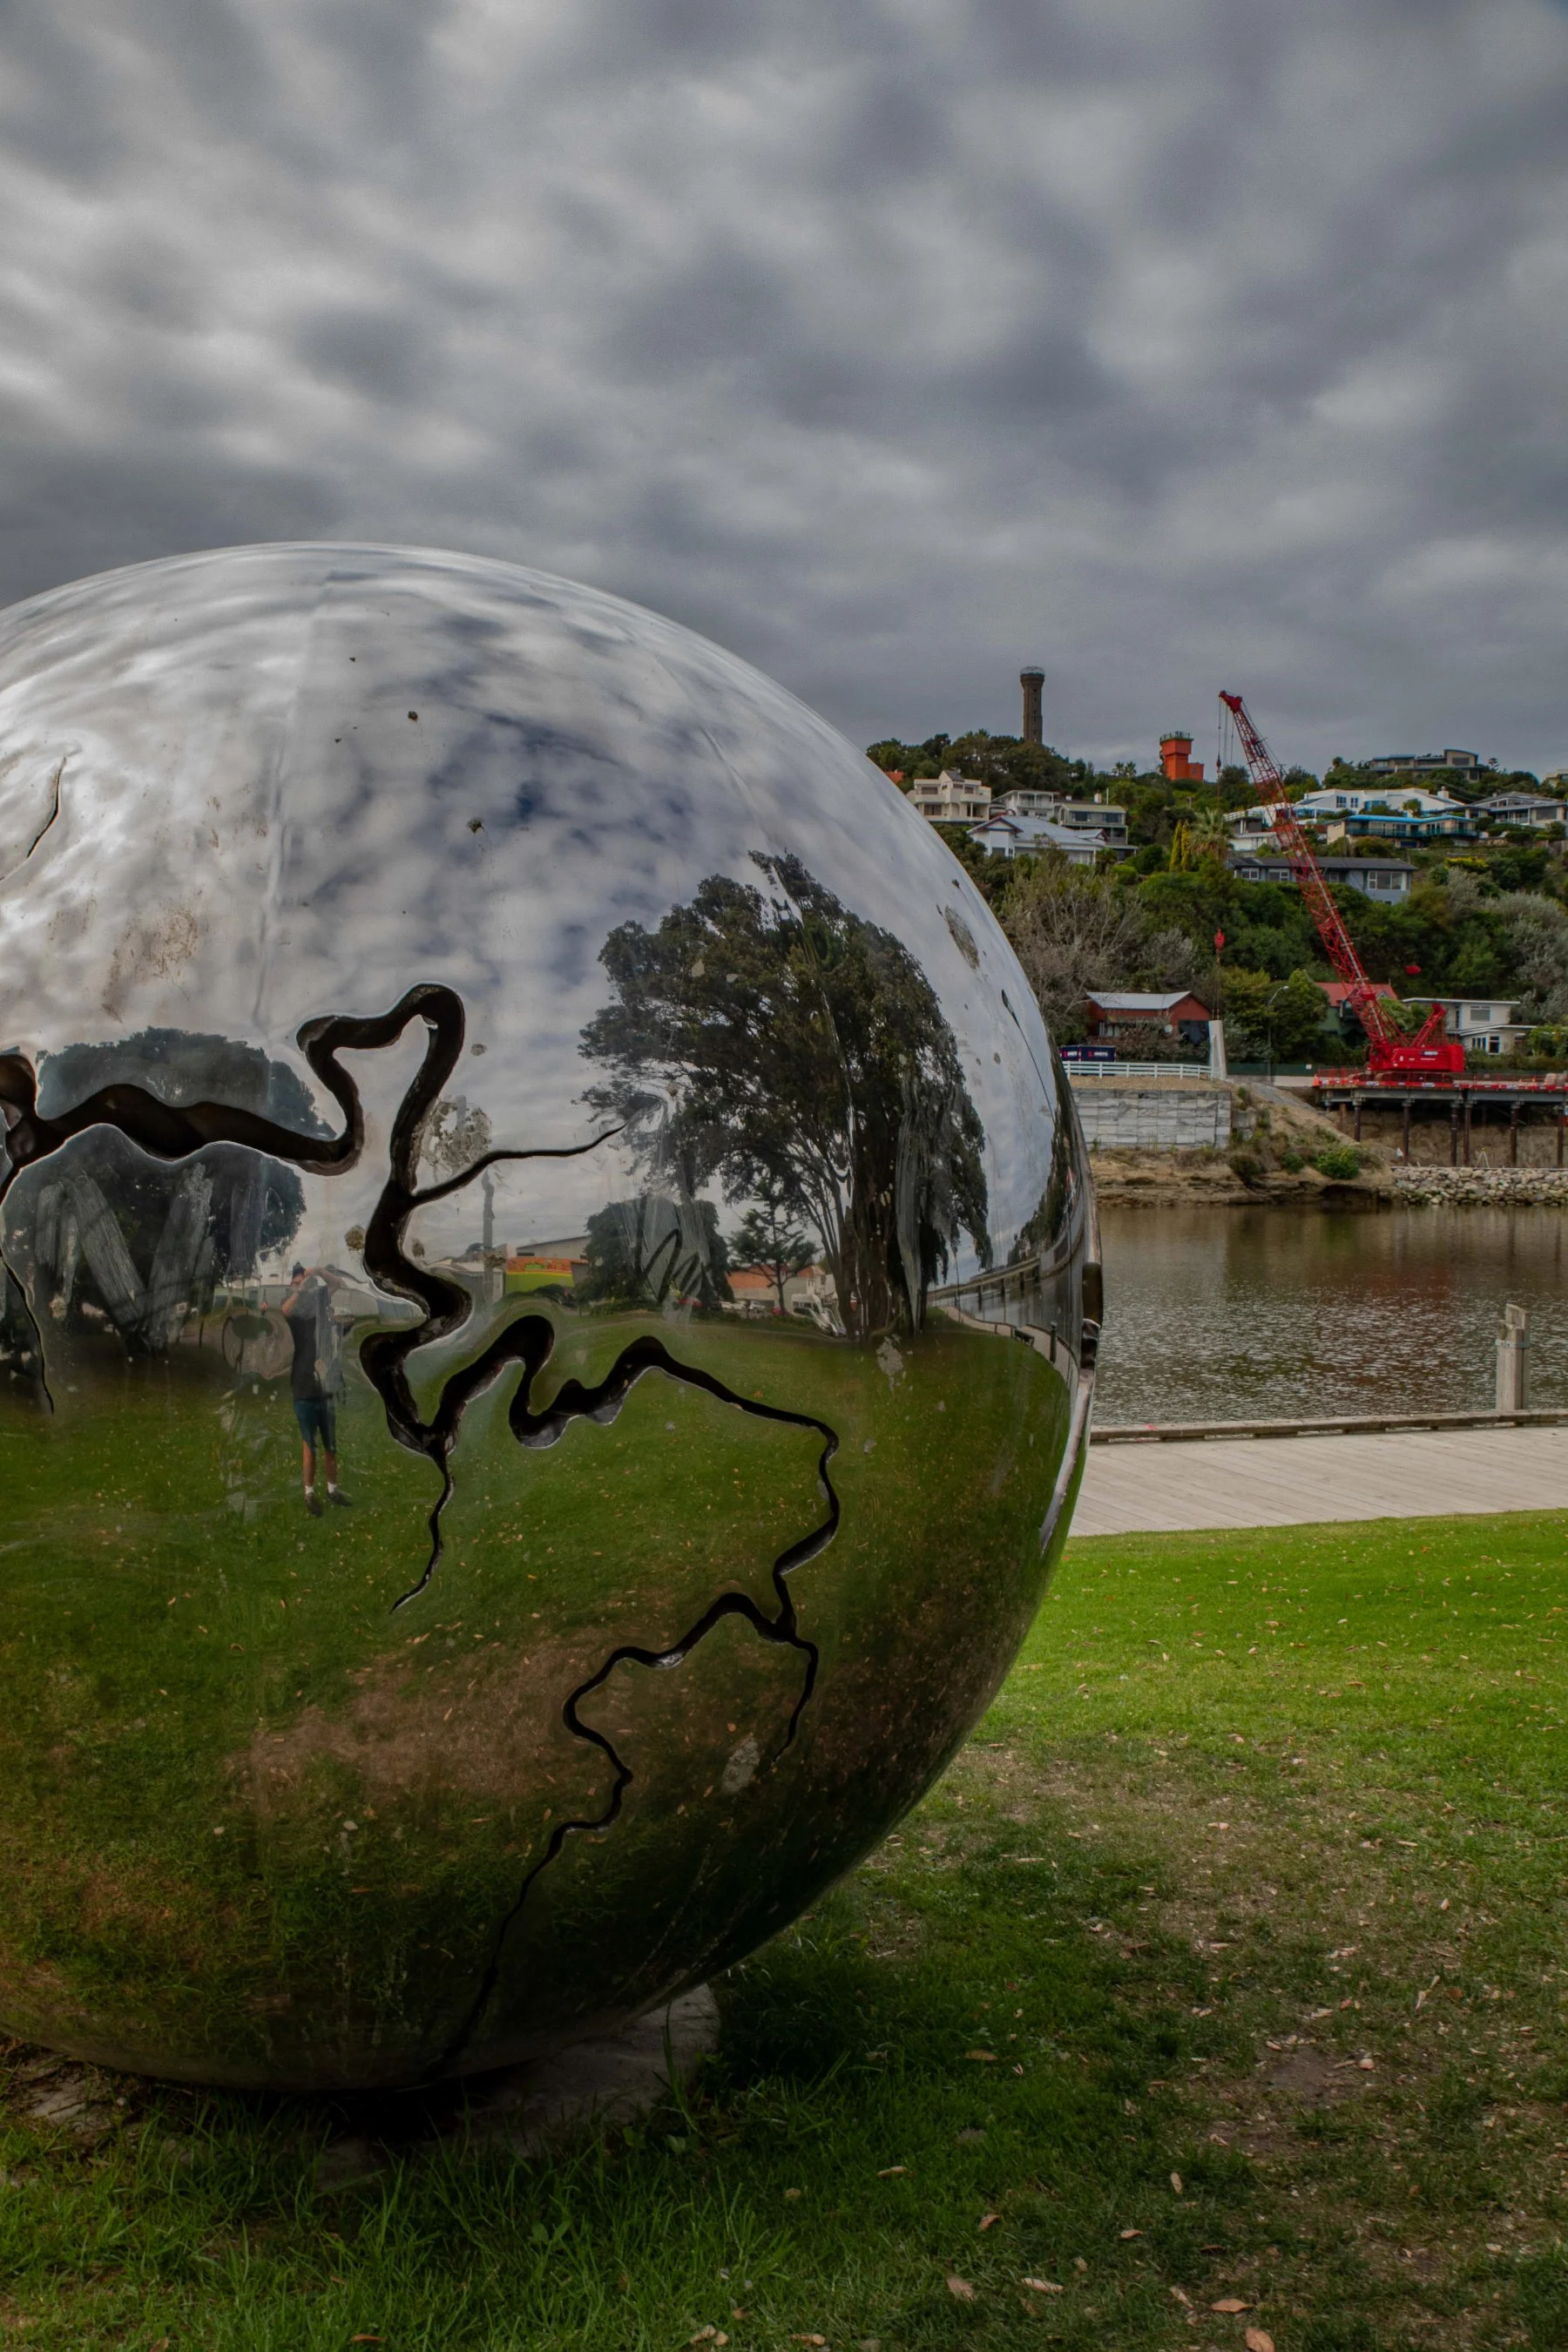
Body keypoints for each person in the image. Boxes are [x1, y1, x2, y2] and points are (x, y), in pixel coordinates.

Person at [280, 1262, 351, 1516]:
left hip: (326, 1387)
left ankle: (332, 1490)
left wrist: (319, 1272)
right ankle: (309, 1493)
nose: (304, 1285)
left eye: (304, 1280)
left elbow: (337, 1284)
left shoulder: (320, 1300)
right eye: (297, 1281)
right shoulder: (295, 1309)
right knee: (309, 1444)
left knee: (331, 1444)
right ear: (292, 1284)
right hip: (303, 1388)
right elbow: (284, 1310)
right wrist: (300, 1290)